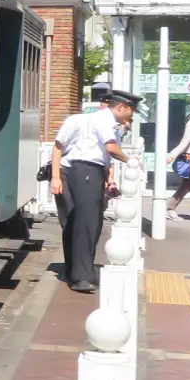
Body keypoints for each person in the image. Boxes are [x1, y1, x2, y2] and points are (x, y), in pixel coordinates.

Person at [51, 89, 138, 293]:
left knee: (78, 223)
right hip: (86, 170)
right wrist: (131, 160)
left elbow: (106, 158)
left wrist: (109, 181)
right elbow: (110, 149)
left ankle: (74, 270)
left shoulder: (107, 123)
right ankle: (81, 276)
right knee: (87, 223)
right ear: (121, 107)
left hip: (87, 171)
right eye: (131, 111)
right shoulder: (103, 120)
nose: (131, 116)